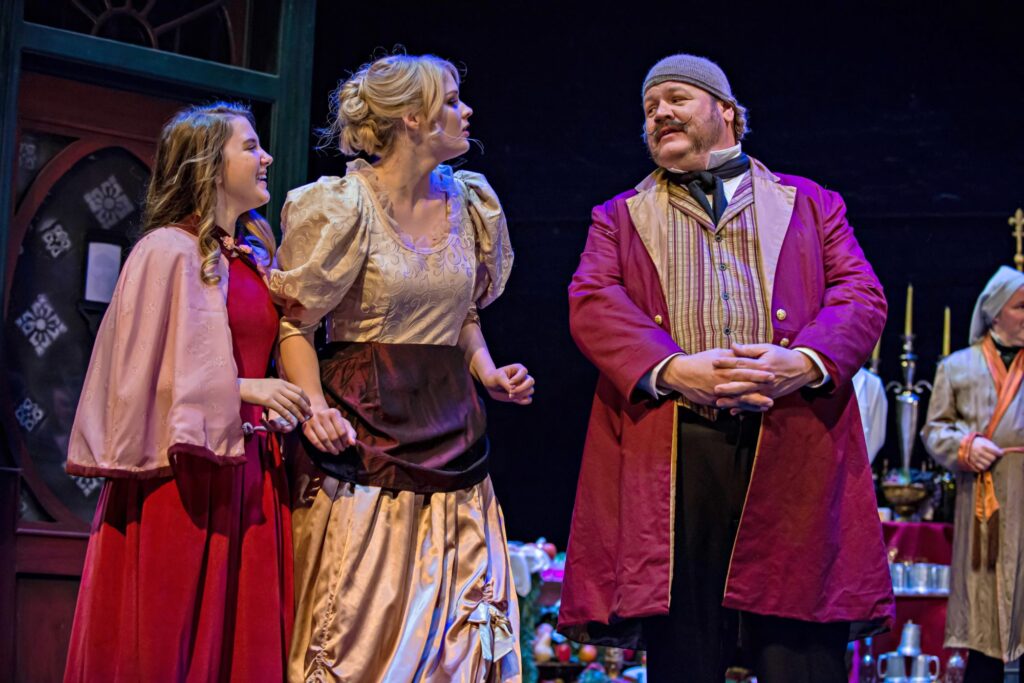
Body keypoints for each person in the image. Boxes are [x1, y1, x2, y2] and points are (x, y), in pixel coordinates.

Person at [558, 54, 895, 683]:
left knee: (799, 645)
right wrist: (675, 368)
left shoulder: (811, 203)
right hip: (680, 449)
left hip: (789, 436)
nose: (660, 114)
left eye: (678, 98)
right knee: (686, 646)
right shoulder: (619, 217)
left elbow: (859, 294)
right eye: (650, 108)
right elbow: (593, 303)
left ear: (728, 112)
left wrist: (804, 360)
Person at [269, 53, 533, 682]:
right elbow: (296, 323)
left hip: (453, 428)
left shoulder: (470, 203)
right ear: (412, 119)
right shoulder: (342, 206)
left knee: (465, 627)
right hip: (368, 432)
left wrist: (487, 370)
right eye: (450, 100)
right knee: (365, 618)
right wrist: (316, 409)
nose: (465, 111)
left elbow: (464, 310)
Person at [63, 103, 309, 682]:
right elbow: (139, 381)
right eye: (249, 147)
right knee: (169, 641)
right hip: (182, 475)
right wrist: (250, 389)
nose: (266, 156)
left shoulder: (250, 257)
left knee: (238, 646)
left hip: (248, 469)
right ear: (209, 164)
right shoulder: (166, 252)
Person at [922, 266, 1024, 682]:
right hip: (984, 503)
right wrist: (965, 446)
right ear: (996, 312)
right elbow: (934, 428)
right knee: (984, 611)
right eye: (1021, 307)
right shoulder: (957, 367)